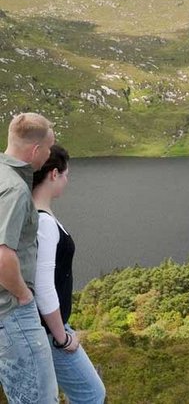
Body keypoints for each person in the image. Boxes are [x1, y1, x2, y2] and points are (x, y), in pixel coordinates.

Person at [33, 145, 106, 404]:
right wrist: (63, 339)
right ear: (53, 174)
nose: (67, 180)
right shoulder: (44, 223)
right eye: (65, 174)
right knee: (91, 394)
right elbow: (43, 288)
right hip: (50, 332)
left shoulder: (32, 213)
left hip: (43, 329)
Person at [0, 112, 59, 403]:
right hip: (12, 311)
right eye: (48, 149)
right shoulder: (14, 189)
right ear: (36, 150)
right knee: (39, 397)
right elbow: (2, 257)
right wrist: (24, 297)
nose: (49, 155)